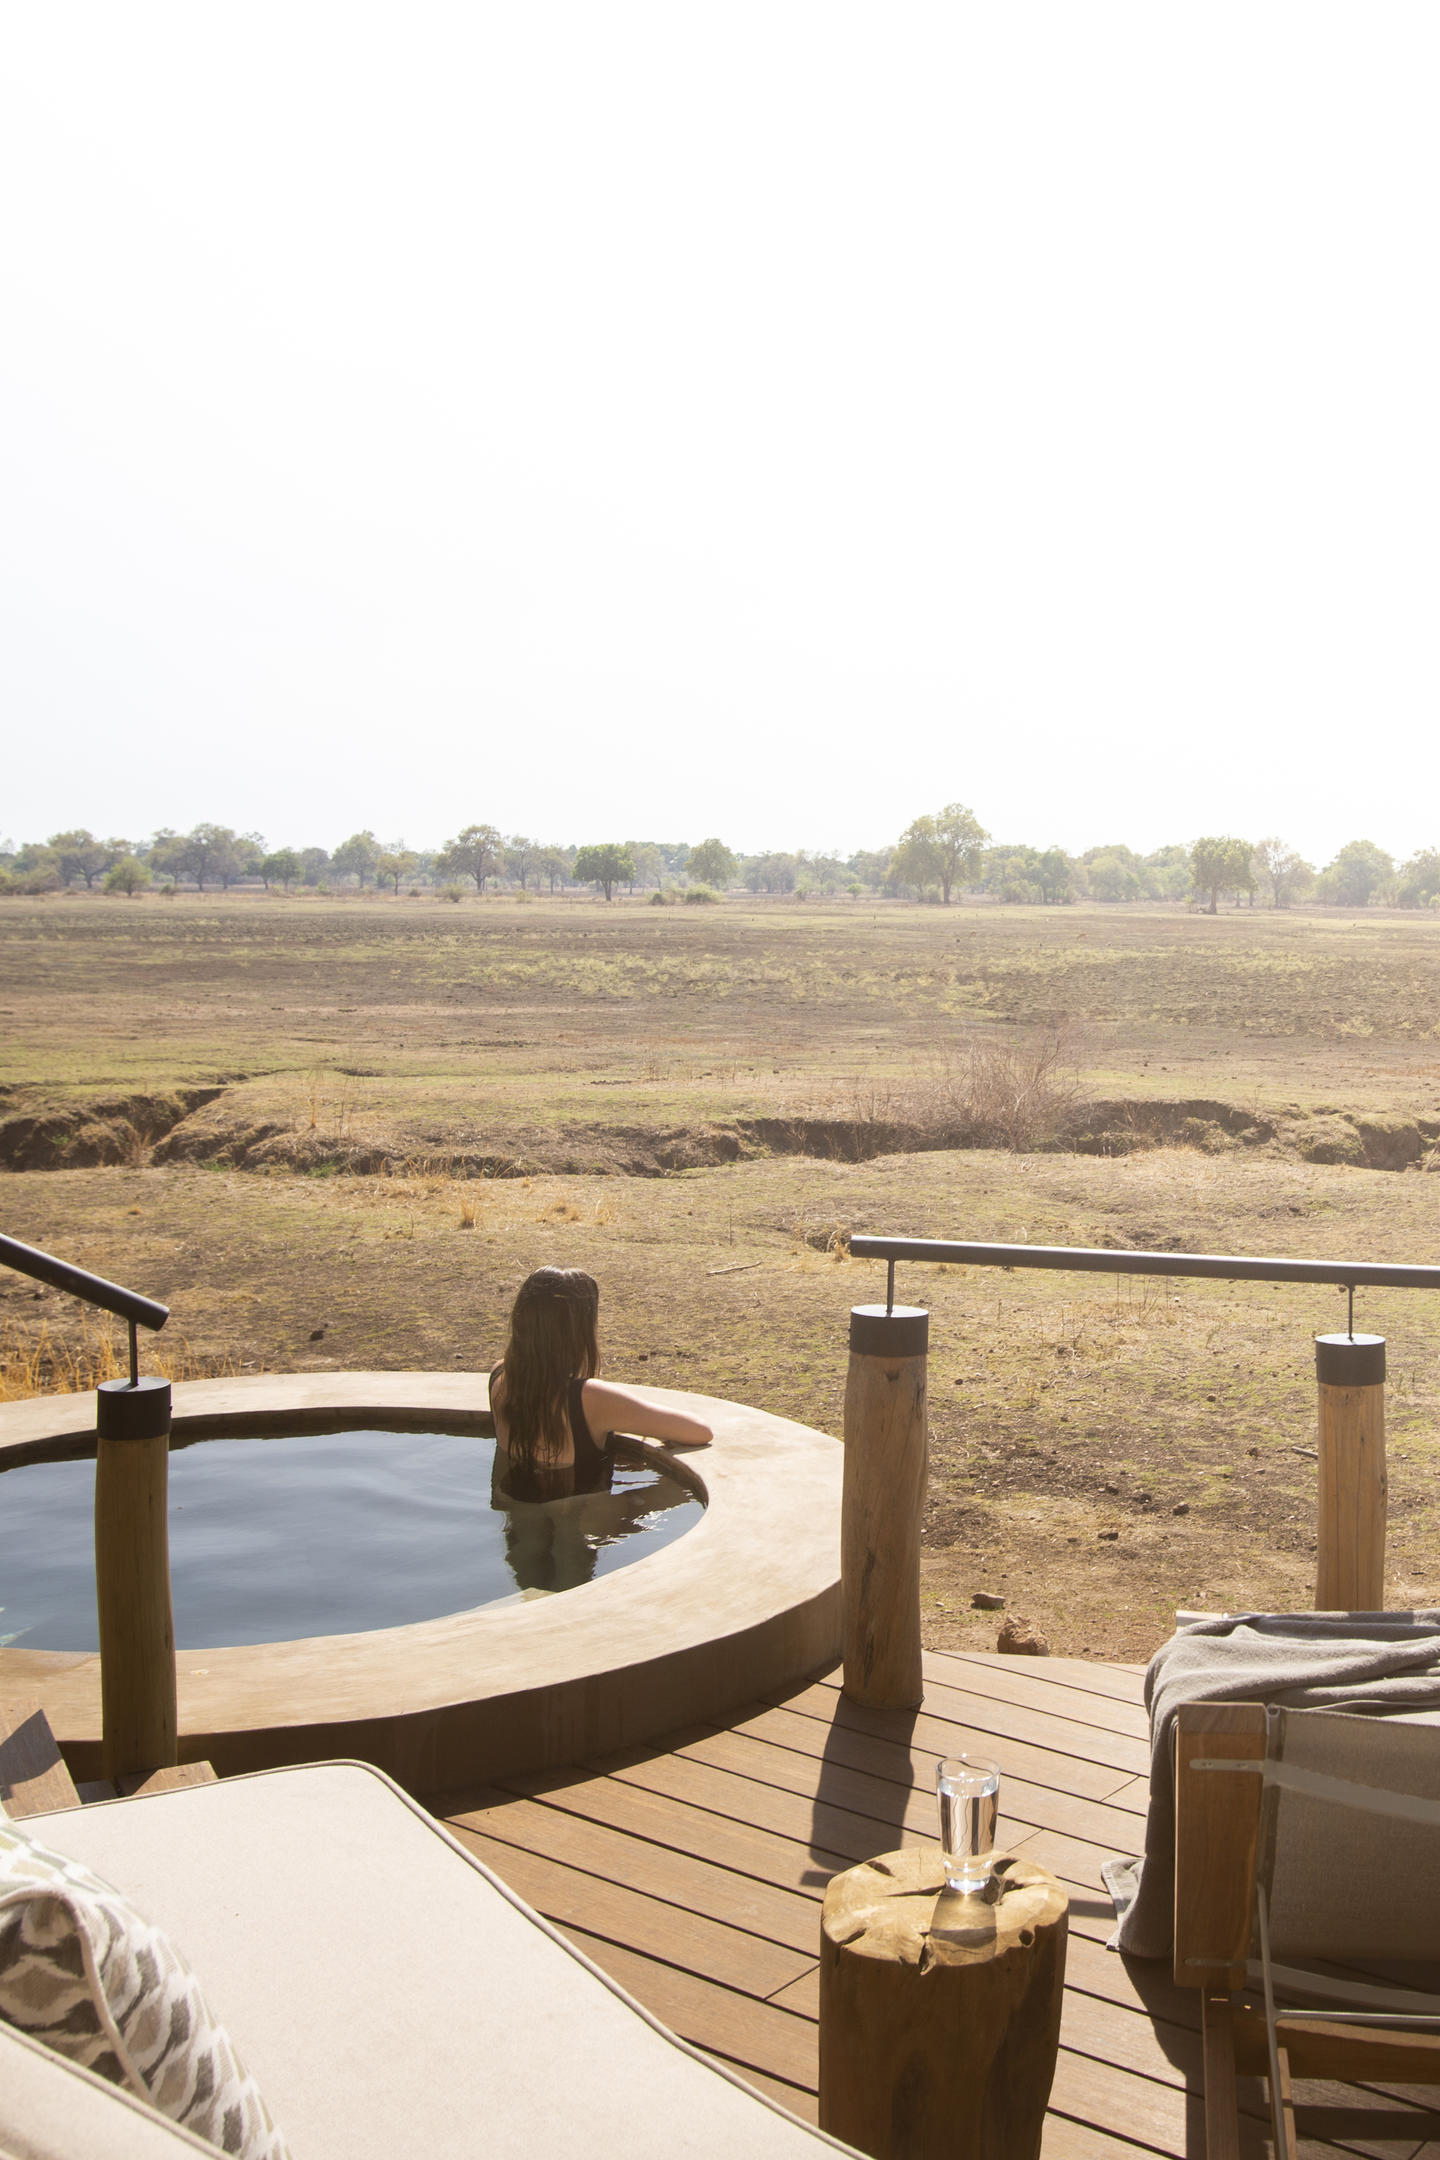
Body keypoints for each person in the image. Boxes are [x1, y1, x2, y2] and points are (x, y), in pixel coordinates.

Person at [488, 1266, 712, 1507]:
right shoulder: (589, 1398)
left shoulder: (500, 1376)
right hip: (577, 1520)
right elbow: (699, 1431)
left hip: (513, 1508)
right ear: (577, 1331)